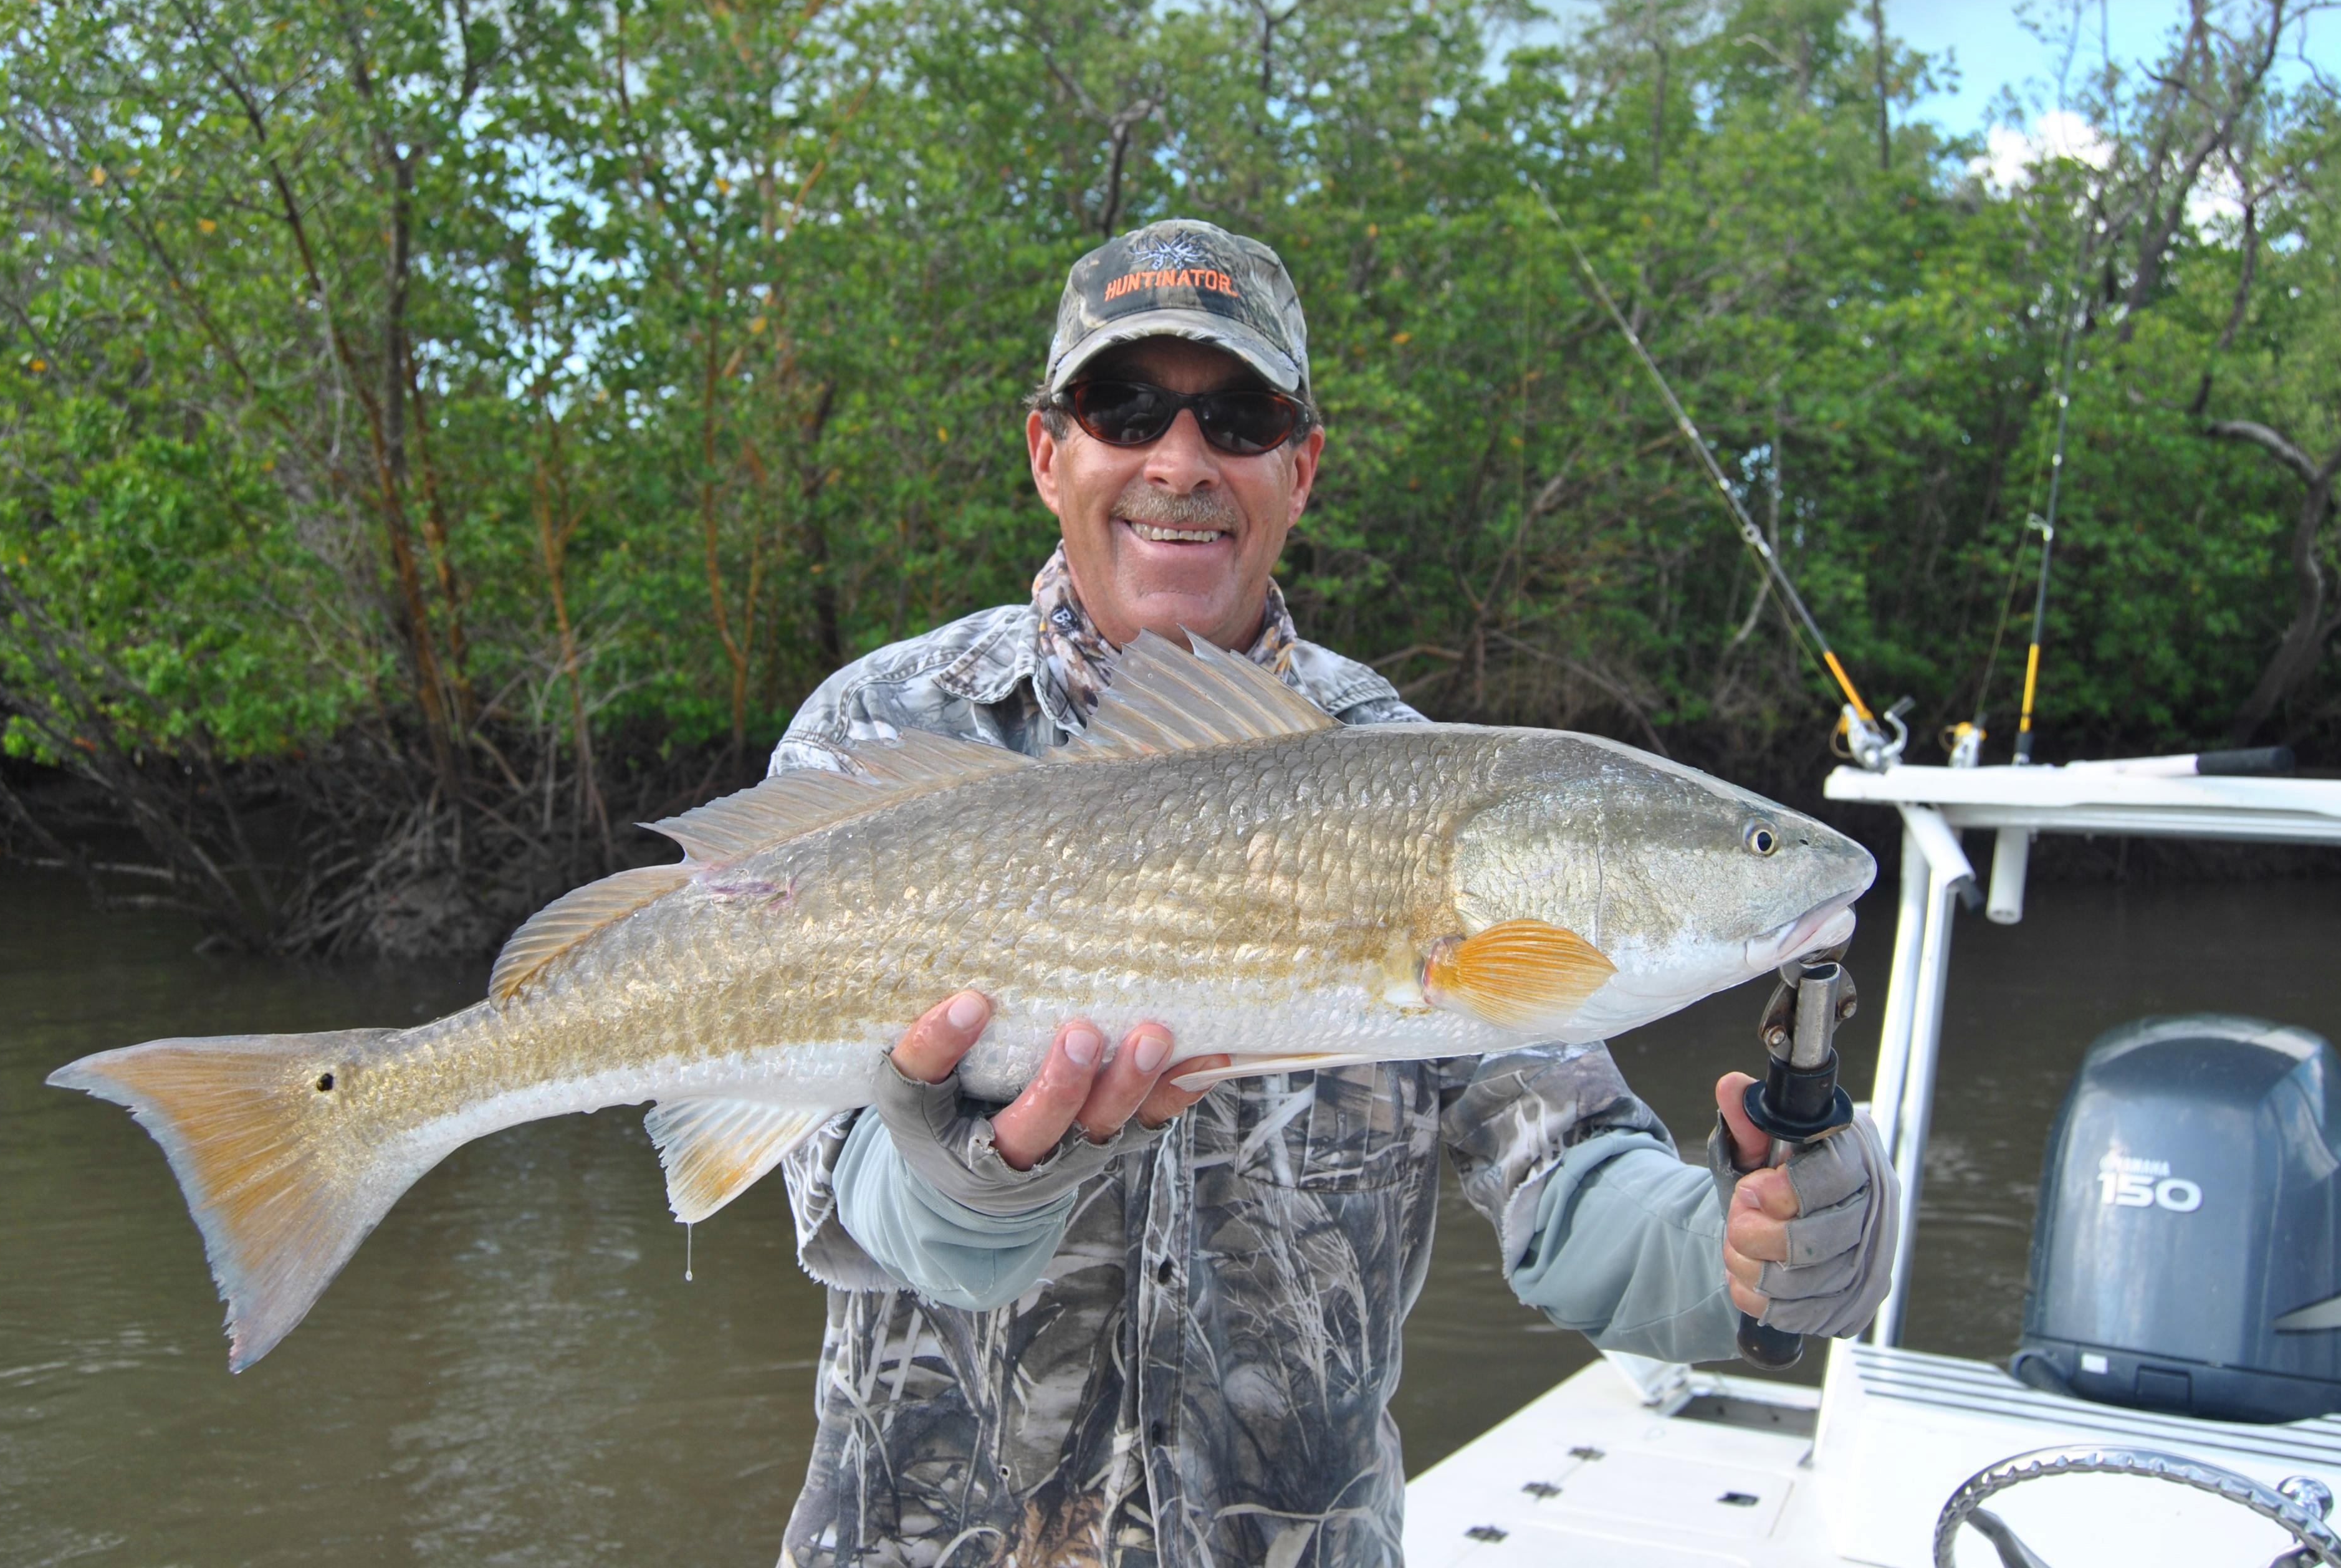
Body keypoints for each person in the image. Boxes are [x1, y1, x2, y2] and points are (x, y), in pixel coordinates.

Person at [767, 220, 1900, 1568]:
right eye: (1124, 409)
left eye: (1237, 418)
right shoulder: (879, 737)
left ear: (1297, 470)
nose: (1180, 462)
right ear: (1046, 452)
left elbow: (1569, 1176)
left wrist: (1746, 1244)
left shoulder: (1432, 790)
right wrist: (967, 1198)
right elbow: (822, 1182)